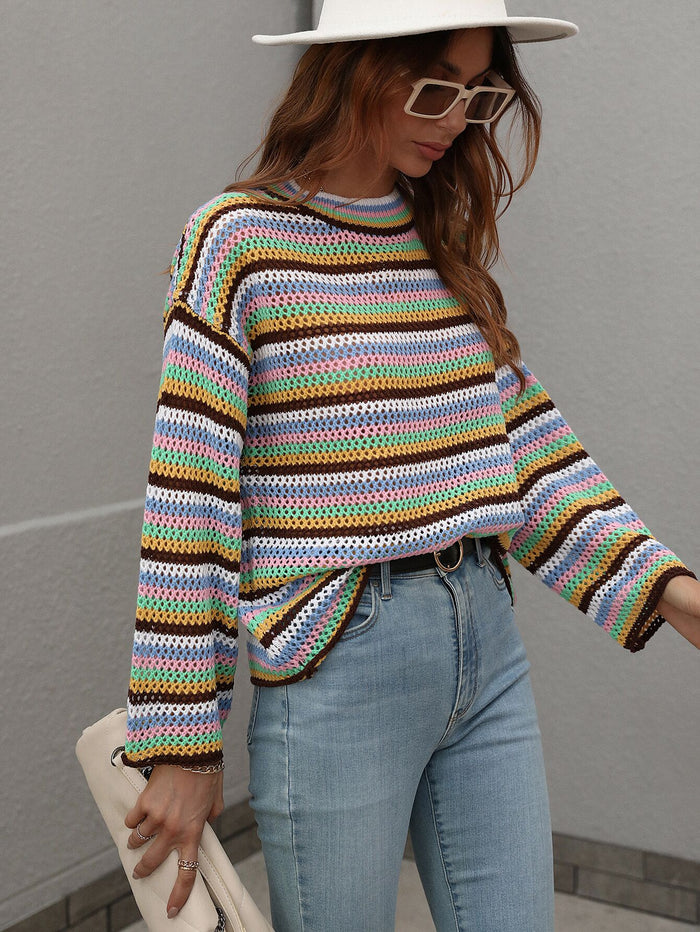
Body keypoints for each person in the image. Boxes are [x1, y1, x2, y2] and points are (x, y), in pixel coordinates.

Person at [121, 1, 700, 929]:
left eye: (478, 95)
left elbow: (524, 456)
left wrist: (672, 593)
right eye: (436, 90)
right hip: (340, 663)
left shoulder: (439, 242)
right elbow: (192, 500)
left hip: (486, 649)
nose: (457, 121)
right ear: (355, 73)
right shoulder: (239, 243)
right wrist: (183, 743)